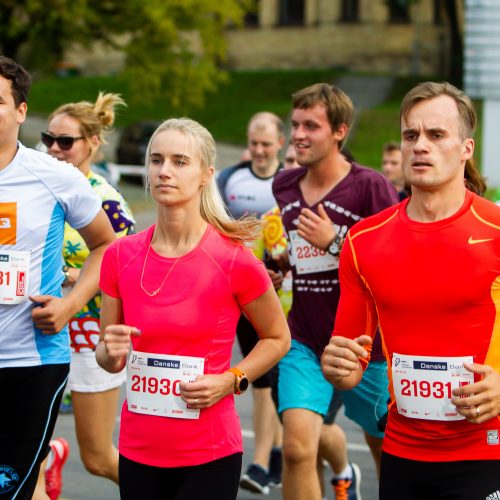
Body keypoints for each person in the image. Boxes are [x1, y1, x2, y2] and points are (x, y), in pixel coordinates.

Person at [95, 117, 290, 500]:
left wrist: (232, 379)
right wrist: (108, 352)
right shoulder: (120, 256)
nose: (164, 171)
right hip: (138, 450)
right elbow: (108, 357)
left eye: (180, 161)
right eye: (156, 160)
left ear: (206, 174)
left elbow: (278, 337)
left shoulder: (234, 259)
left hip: (209, 453)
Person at [321, 81, 500, 500]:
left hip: (486, 454)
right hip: (403, 454)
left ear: (466, 149)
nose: (421, 146)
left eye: (436, 135)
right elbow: (351, 366)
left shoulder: (496, 232)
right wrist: (337, 364)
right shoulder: (365, 241)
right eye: (411, 135)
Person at [272, 83, 399, 500]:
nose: (299, 135)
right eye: (295, 125)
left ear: (340, 131)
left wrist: (334, 241)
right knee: (295, 450)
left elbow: (391, 269)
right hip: (306, 340)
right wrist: (277, 272)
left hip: (366, 348)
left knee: (387, 451)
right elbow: (298, 254)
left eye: (312, 125)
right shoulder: (285, 186)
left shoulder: (371, 188)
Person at [0, 56, 116, 500]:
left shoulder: (55, 177)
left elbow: (107, 247)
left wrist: (70, 305)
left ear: (22, 111)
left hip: (32, 362)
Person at [38, 92, 135, 496]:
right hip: (38, 332)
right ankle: (47, 460)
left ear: (92, 143)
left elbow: (126, 266)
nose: (54, 149)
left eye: (66, 142)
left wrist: (75, 275)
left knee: (97, 458)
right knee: (25, 448)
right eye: (48, 139)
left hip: (88, 335)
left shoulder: (106, 199)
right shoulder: (38, 185)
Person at [217, 112, 286, 494]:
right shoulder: (229, 180)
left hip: (284, 295)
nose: (259, 151)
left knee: (272, 382)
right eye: (253, 143)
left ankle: (266, 459)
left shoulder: (288, 181)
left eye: (266, 144)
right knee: (258, 379)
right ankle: (268, 456)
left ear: (280, 143)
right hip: (242, 291)